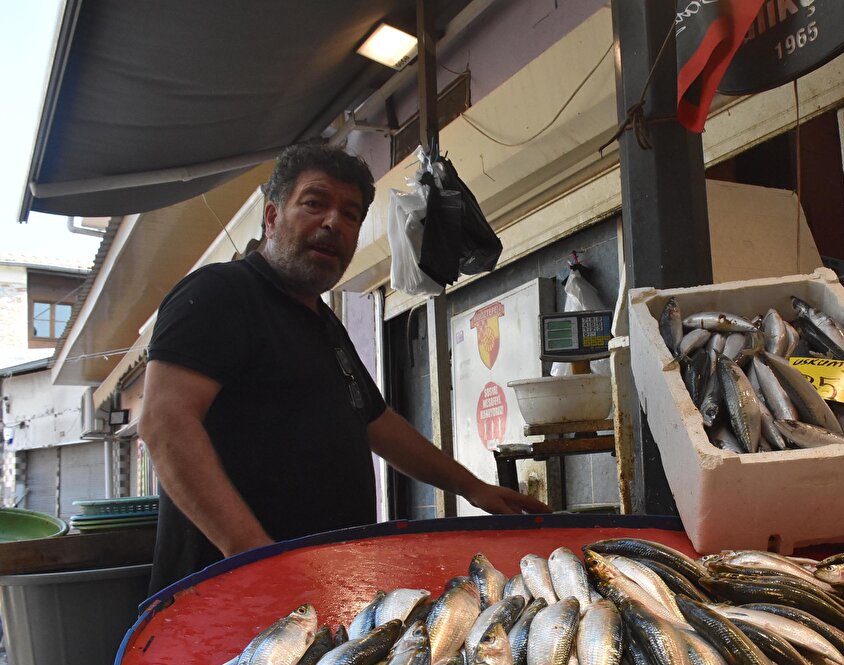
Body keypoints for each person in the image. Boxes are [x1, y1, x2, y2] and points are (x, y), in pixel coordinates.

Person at [140, 142, 550, 594]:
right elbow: (165, 421)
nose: (334, 222)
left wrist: (475, 489)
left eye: (351, 214)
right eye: (314, 203)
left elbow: (377, 423)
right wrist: (252, 554)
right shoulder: (220, 293)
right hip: (232, 593)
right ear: (272, 217)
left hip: (322, 586)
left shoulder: (323, 322)